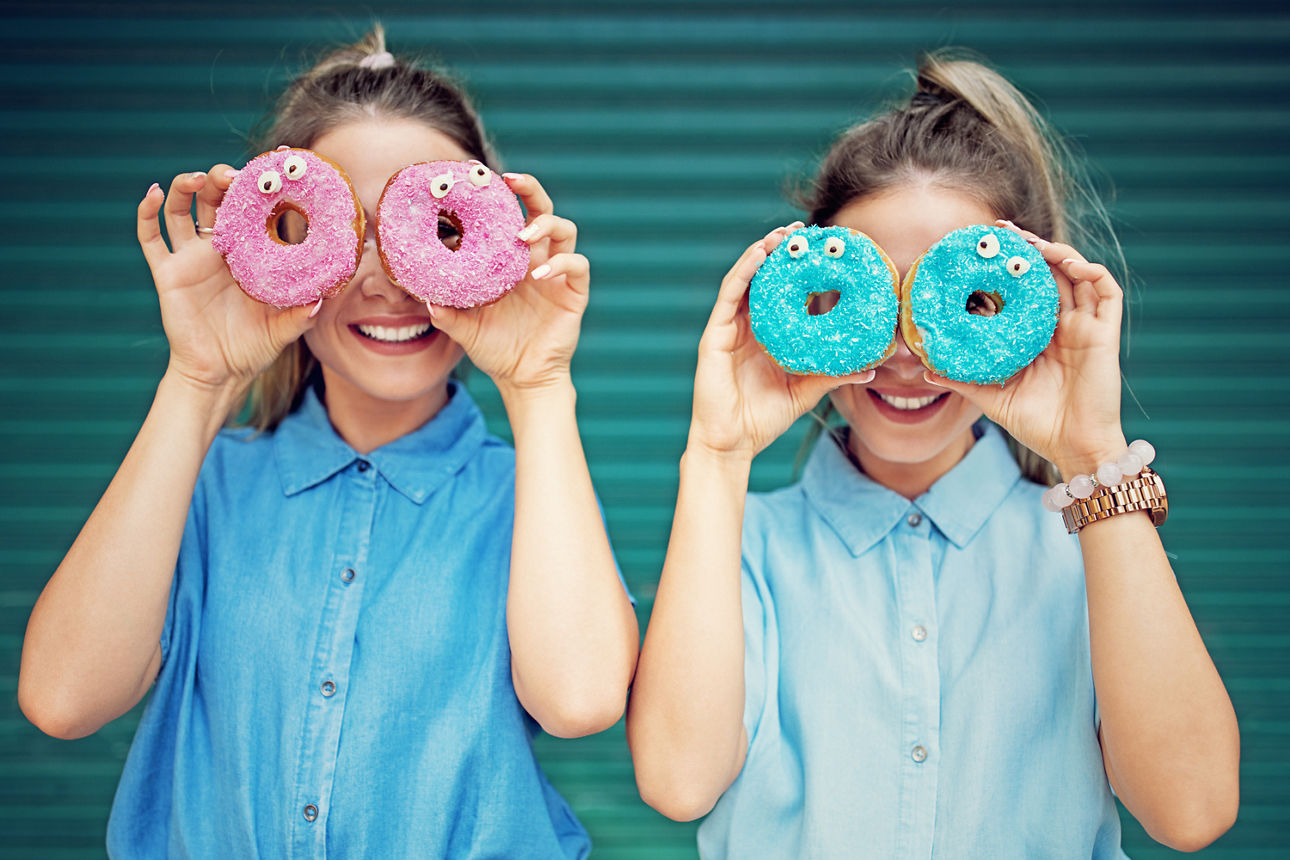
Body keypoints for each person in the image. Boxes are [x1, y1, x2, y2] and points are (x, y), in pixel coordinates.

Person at [18, 26, 637, 858]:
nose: (384, 277)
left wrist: (537, 385)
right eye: (346, 229)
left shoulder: (528, 501)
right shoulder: (204, 487)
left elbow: (581, 700)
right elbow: (63, 699)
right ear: (275, 240)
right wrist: (198, 380)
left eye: (436, 230)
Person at [627, 50, 1239, 857]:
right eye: (871, 301)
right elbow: (678, 782)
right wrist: (716, 453)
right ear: (806, 301)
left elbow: (1190, 810)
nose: (908, 353)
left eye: (966, 303)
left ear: (1032, 310)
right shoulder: (742, 548)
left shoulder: (1090, 554)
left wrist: (1091, 451)